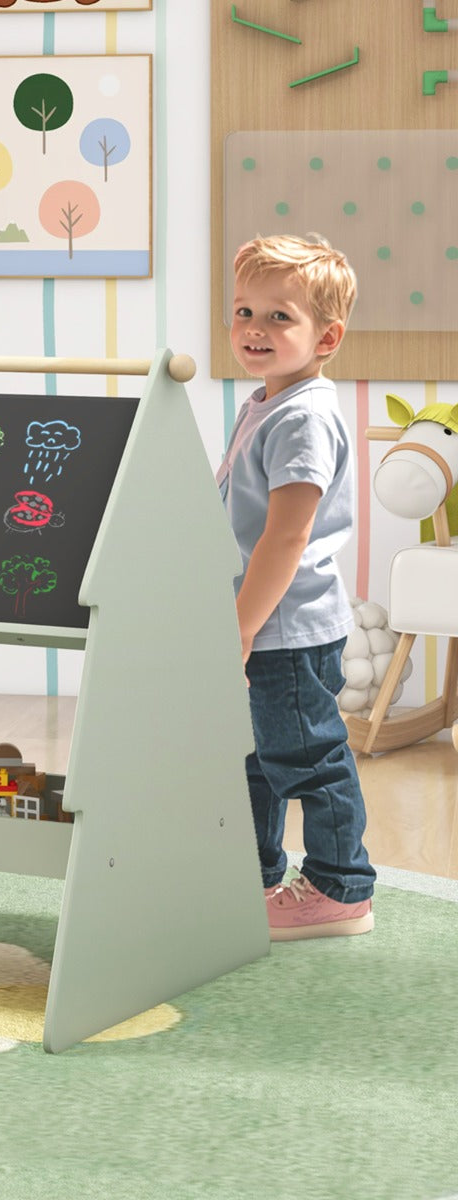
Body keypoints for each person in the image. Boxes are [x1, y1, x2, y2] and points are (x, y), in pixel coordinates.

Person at [219, 233, 376, 941]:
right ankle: (250, 873)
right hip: (263, 620)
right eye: (244, 311)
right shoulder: (267, 402)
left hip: (283, 626)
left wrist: (242, 627)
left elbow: (286, 537)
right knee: (253, 758)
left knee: (308, 759)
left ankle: (341, 889)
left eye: (279, 317)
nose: (255, 328)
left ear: (326, 338)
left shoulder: (303, 417)